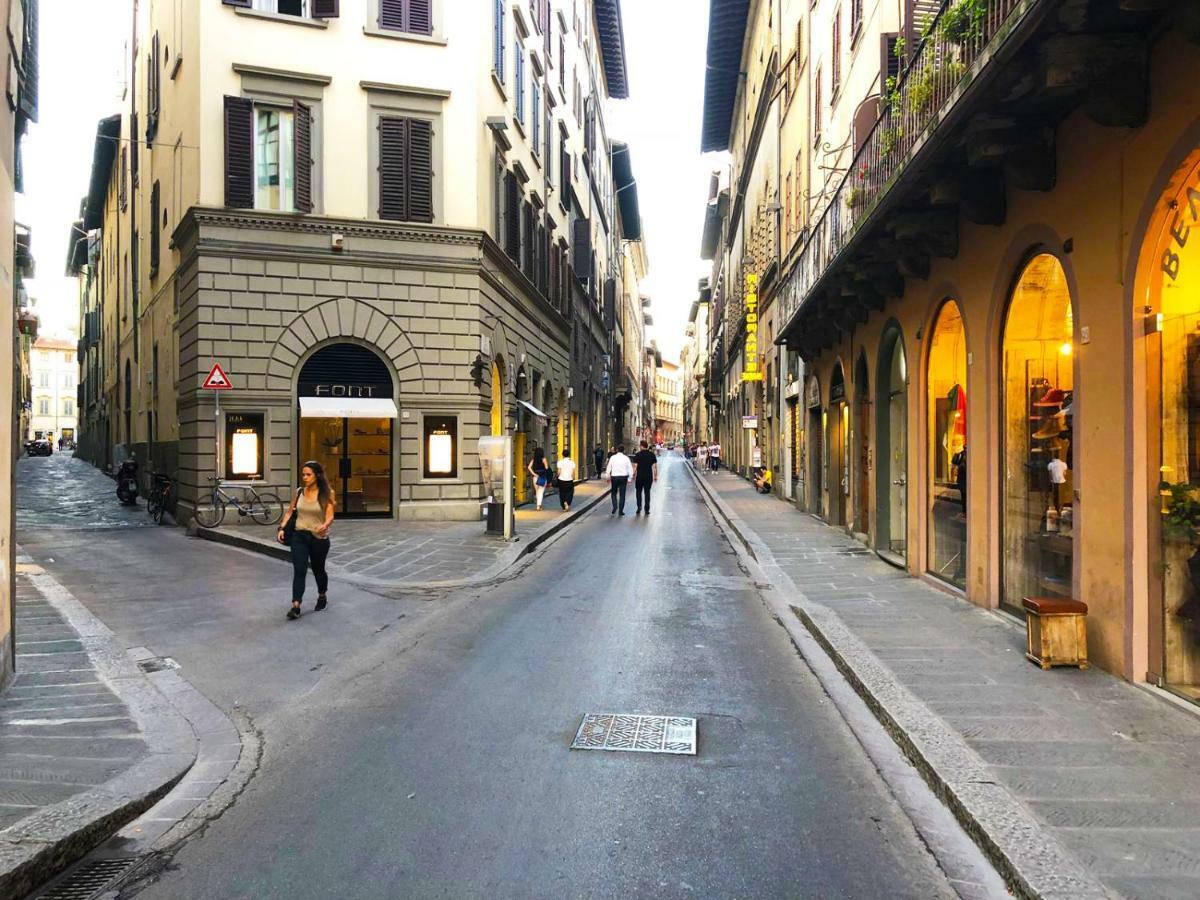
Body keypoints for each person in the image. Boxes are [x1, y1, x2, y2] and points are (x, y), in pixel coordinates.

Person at [278, 460, 335, 621]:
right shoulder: (299, 492)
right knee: (299, 569)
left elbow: (330, 514)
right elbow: (290, 512)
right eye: (303, 474)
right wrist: (282, 528)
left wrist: (325, 524)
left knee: (318, 570)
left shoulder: (327, 493)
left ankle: (322, 595)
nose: (305, 477)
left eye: (308, 474)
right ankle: (296, 605)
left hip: (318, 538)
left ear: (316, 475)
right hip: (299, 536)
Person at [605, 444, 633, 516]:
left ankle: (615, 506)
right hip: (623, 477)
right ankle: (621, 510)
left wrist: (607, 476)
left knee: (613, 493)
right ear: (624, 451)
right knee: (622, 495)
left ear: (617, 450)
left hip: (614, 477)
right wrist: (630, 478)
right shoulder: (626, 458)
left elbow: (609, 467)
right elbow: (630, 469)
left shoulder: (612, 458)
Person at [632, 440, 659, 515]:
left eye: (640, 446)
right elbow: (654, 467)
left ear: (641, 446)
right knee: (647, 493)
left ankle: (639, 507)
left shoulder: (638, 455)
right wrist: (655, 476)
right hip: (648, 477)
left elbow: (635, 466)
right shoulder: (651, 455)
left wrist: (633, 474)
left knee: (638, 492)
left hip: (640, 477)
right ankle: (647, 509)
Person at [527, 446, 550, 511]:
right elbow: (546, 468)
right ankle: (538, 505)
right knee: (541, 491)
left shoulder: (533, 460)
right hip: (542, 477)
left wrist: (534, 474)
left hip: (535, 477)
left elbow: (529, 467)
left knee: (537, 491)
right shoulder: (544, 459)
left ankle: (538, 504)